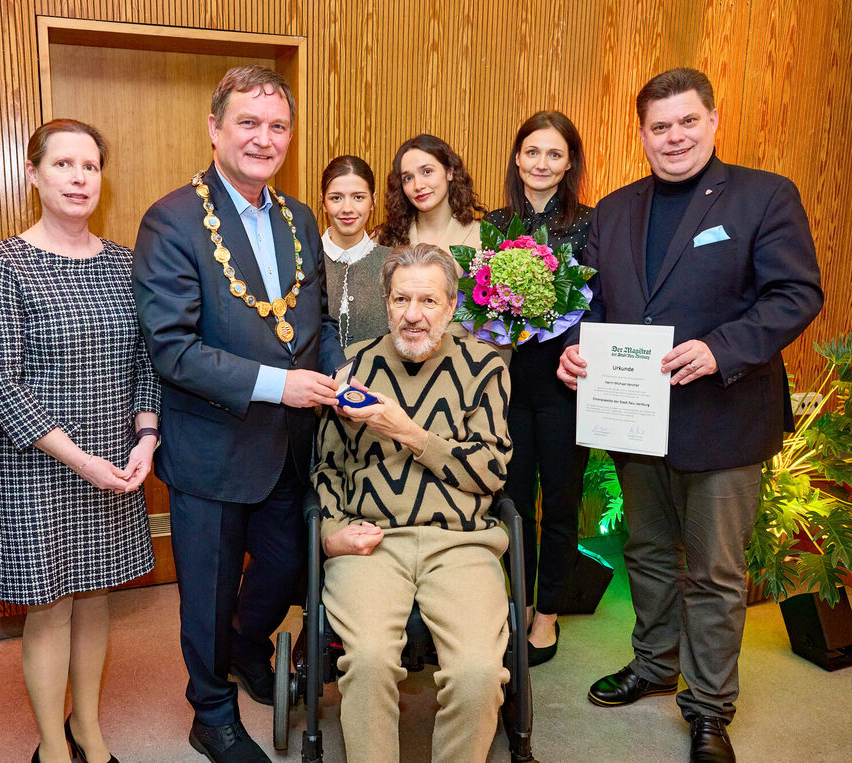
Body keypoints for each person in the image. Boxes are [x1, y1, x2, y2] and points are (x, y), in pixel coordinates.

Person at [556, 68, 823, 762]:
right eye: (658, 125)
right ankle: (653, 662)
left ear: (712, 120)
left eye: (686, 122)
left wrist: (721, 347)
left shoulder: (765, 196)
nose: (672, 137)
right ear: (639, 132)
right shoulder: (612, 211)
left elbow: (795, 292)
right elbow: (584, 305)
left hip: (723, 416)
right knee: (643, 552)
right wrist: (570, 351)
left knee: (713, 572)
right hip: (633, 418)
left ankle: (707, 706)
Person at [132, 65, 344, 763]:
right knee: (208, 587)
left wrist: (340, 371)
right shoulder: (171, 220)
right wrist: (275, 385)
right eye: (247, 123)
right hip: (212, 446)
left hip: (288, 443)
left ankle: (249, 648)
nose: (263, 138)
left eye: (277, 125)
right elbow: (172, 349)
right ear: (215, 128)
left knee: (283, 567)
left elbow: (314, 322)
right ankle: (210, 708)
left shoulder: (298, 217)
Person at [0, 119, 159, 763]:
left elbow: (145, 364)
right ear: (34, 175)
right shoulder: (7, 263)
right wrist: (81, 460)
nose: (79, 178)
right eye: (64, 165)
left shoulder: (122, 263)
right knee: (50, 608)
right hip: (41, 464)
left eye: (90, 166)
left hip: (114, 460)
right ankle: (53, 743)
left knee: (96, 599)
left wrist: (146, 436)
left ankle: (90, 728)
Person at [316, 243, 512, 763]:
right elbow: (328, 469)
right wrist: (329, 535)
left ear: (451, 307)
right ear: (386, 304)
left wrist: (410, 434)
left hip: (462, 543)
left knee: (477, 672)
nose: (413, 315)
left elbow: (491, 471)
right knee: (369, 660)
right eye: (401, 299)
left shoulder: (484, 367)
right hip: (370, 542)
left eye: (428, 301)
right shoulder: (353, 368)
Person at [484, 111, 593, 666]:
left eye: (554, 154)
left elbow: (604, 304)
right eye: (532, 152)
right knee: (514, 501)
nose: (542, 163)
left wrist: (584, 347)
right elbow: (478, 303)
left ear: (569, 161)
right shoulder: (495, 224)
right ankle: (517, 605)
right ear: (517, 157)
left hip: (567, 384)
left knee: (563, 502)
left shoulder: (591, 225)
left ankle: (547, 612)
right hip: (508, 386)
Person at [377, 134, 489, 256]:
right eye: (408, 178)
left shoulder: (482, 237)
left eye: (427, 172)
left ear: (450, 172)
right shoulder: (386, 239)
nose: (418, 186)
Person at [320, 155, 391, 345]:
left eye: (358, 197)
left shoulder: (393, 263)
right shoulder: (303, 260)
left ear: (373, 201)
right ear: (323, 203)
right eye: (336, 198)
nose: (347, 208)